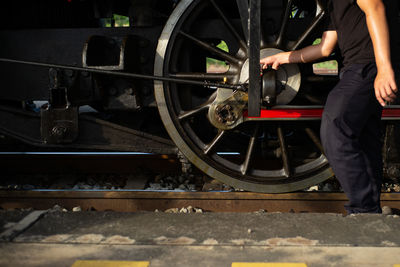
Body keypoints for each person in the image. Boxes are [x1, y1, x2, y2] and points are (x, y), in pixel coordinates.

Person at [260, 0, 399, 214]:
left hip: (367, 66)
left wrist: (383, 68)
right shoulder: (335, 5)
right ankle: (371, 212)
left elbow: (376, 8)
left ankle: (363, 210)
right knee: (364, 139)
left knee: (335, 127)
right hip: (357, 67)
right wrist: (284, 57)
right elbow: (325, 48)